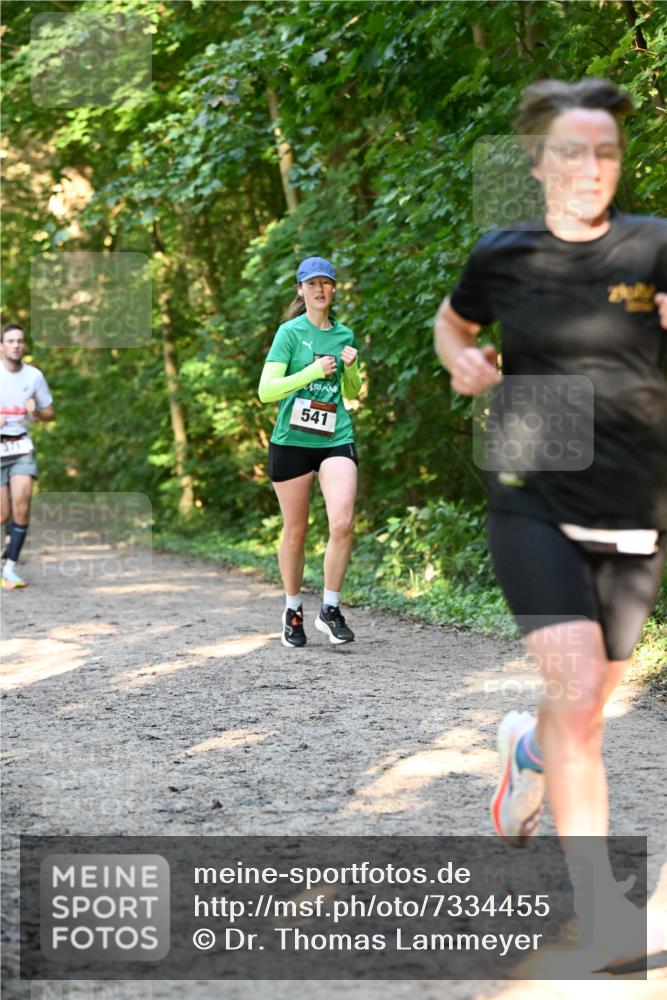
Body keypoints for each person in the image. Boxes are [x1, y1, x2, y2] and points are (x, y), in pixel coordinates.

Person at [434, 77, 666, 968]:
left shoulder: (652, 248)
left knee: (584, 707)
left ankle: (524, 753)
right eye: (571, 150)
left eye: (605, 150)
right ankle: (603, 914)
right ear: (537, 162)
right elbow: (450, 325)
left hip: (635, 508)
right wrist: (466, 362)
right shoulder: (504, 256)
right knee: (578, 694)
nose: (590, 167)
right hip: (531, 488)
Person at [258, 256, 362, 647]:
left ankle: (331, 608)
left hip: (335, 437)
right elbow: (267, 390)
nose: (320, 290)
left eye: (327, 283)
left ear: (334, 290)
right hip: (291, 442)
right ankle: (292, 609)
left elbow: (350, 393)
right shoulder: (289, 333)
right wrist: (313, 371)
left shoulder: (345, 333)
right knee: (296, 530)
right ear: (301, 290)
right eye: (312, 284)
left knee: (342, 523)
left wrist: (351, 368)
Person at [0, 323, 55, 588]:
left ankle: (9, 569)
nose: (16, 345)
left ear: (24, 346)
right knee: (2, 513)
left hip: (21, 447)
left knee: (22, 506)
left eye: (20, 341)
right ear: (1, 346)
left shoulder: (34, 376)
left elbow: (50, 413)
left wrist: (36, 412)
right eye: (10, 341)